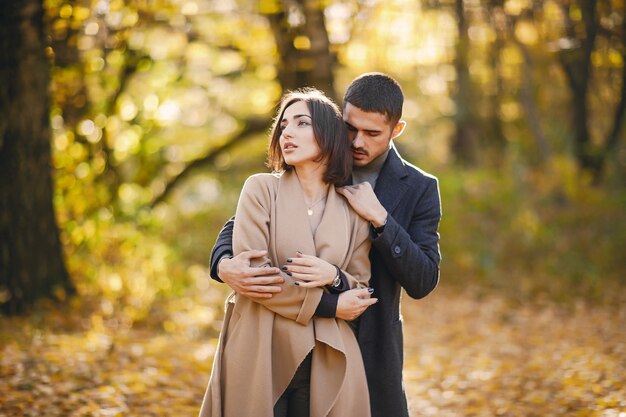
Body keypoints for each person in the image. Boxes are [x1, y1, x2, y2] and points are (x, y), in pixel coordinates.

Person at [210, 73, 442, 417]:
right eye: (350, 128)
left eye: (372, 133)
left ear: (397, 130)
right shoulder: (320, 161)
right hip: (284, 328)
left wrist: (381, 220)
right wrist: (222, 262)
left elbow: (423, 280)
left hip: (369, 338)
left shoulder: (420, 187)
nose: (357, 142)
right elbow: (242, 223)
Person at [199, 88, 375, 417]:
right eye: (283, 126)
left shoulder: (353, 210)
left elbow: (360, 288)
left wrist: (335, 277)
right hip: (260, 345)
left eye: (301, 123)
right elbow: (256, 276)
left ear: (329, 133)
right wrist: (331, 304)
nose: (287, 133)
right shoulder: (260, 189)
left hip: (327, 353)